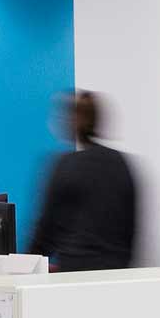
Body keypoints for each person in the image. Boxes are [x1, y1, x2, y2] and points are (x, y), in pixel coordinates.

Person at [30, 90, 136, 272]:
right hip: (116, 274)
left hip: (74, 274)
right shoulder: (121, 163)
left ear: (73, 123)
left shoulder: (65, 165)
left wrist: (25, 268)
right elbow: (131, 229)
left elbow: (46, 232)